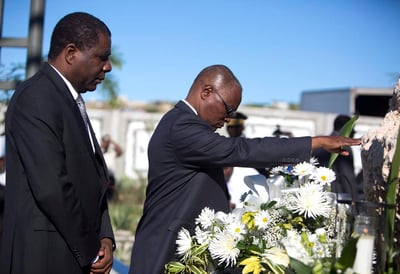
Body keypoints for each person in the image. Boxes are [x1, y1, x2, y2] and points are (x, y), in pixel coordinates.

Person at [128, 64, 360, 274]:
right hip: (165, 250)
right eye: (228, 109)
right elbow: (241, 150)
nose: (229, 119)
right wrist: (315, 142)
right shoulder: (182, 126)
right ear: (206, 92)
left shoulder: (185, 123)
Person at [0, 12, 115, 274]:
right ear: (71, 53)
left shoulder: (71, 100)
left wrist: (106, 238)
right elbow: (52, 187)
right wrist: (90, 249)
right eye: (102, 57)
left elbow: (95, 178)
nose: (108, 66)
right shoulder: (37, 97)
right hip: (44, 258)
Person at [312, 114, 360, 202]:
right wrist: (355, 202)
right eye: (352, 128)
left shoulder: (319, 145)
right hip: (336, 199)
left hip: (317, 198)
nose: (354, 132)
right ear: (347, 128)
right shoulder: (342, 146)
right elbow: (347, 178)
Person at [100, 134, 123, 200]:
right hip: (103, 175)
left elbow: (120, 152)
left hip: (110, 175)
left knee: (110, 193)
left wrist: (111, 141)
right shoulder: (101, 151)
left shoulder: (111, 152)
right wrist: (103, 145)